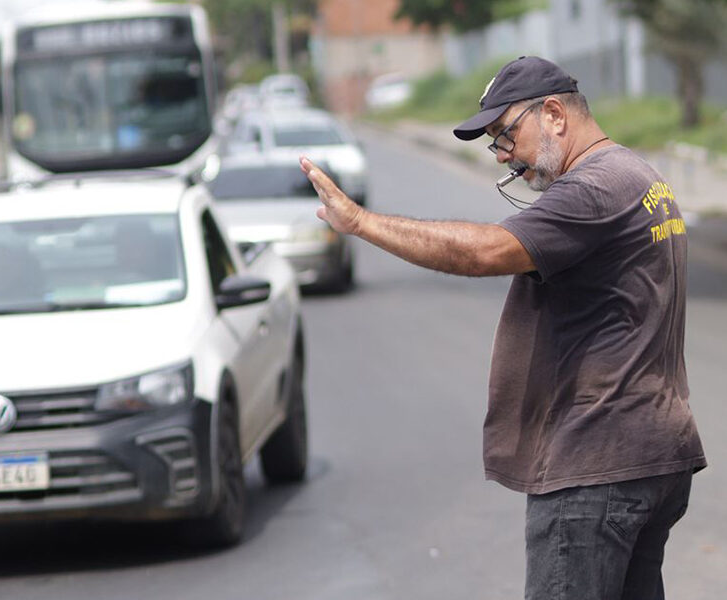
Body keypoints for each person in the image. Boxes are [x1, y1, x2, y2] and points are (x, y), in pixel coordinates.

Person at [300, 56, 705, 600]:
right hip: (647, 455)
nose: (504, 156)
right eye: (494, 143)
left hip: (593, 468)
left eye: (506, 134)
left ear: (555, 114)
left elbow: (486, 251)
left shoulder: (594, 189)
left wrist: (362, 222)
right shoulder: (639, 176)